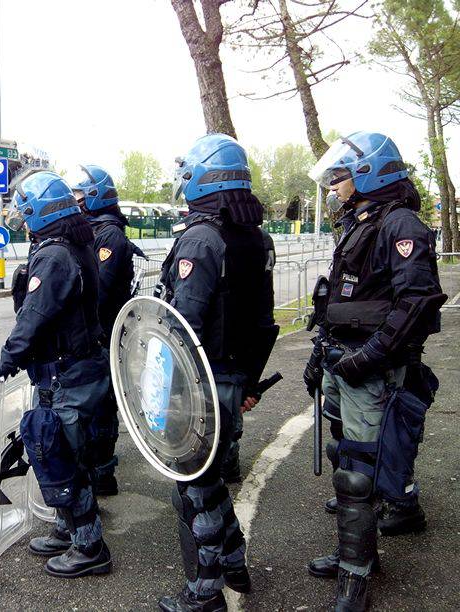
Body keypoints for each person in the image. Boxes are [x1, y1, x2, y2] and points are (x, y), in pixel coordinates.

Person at [304, 132, 444, 612]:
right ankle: (356, 553)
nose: (335, 187)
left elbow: (417, 303)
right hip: (343, 360)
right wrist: (318, 352)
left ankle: (356, 576)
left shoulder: (401, 224)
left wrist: (369, 357)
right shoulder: (363, 220)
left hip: (371, 368)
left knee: (360, 473)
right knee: (345, 455)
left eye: (340, 178)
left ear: (368, 175)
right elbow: (342, 297)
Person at [157, 134, 276, 612]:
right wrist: (246, 384)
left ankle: (206, 593)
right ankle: (235, 562)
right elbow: (266, 323)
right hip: (232, 381)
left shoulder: (201, 238)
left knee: (195, 490)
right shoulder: (257, 237)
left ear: (202, 178)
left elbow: (181, 325)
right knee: (208, 481)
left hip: (198, 384)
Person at [0, 170, 112, 579]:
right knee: (68, 452)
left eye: (25, 208)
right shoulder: (74, 244)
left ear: (40, 211)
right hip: (76, 368)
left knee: (63, 457)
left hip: (67, 375)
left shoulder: (55, 255)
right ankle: (66, 529)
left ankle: (90, 546)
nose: (21, 215)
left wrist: (5, 361)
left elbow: (34, 318)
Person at [71, 164, 135, 496]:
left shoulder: (108, 233)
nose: (77, 202)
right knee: (95, 405)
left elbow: (101, 289)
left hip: (106, 333)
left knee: (103, 405)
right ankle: (97, 469)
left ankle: (103, 473)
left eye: (81, 195)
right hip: (96, 334)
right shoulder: (94, 229)